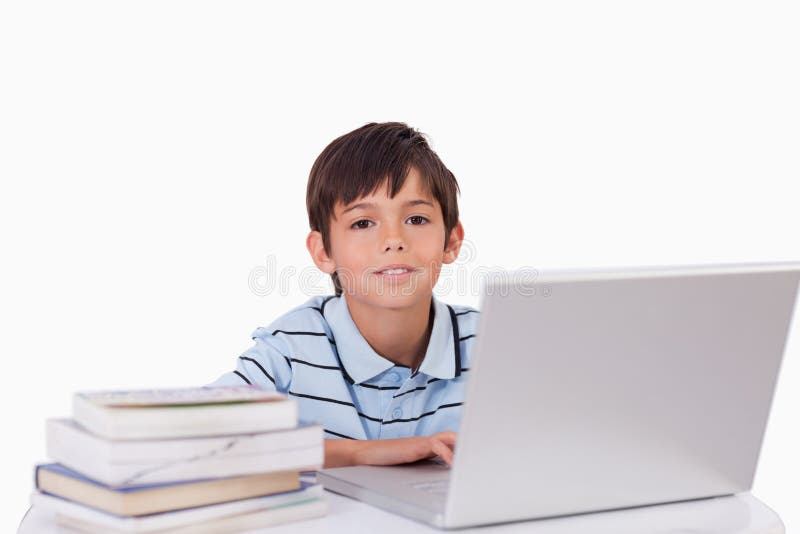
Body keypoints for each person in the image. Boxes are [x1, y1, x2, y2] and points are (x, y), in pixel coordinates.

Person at [210, 122, 479, 468]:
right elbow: (199, 439)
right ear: (324, 251)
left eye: (416, 219)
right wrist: (361, 453)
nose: (394, 240)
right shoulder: (290, 351)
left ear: (451, 241)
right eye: (363, 223)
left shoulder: (492, 345)